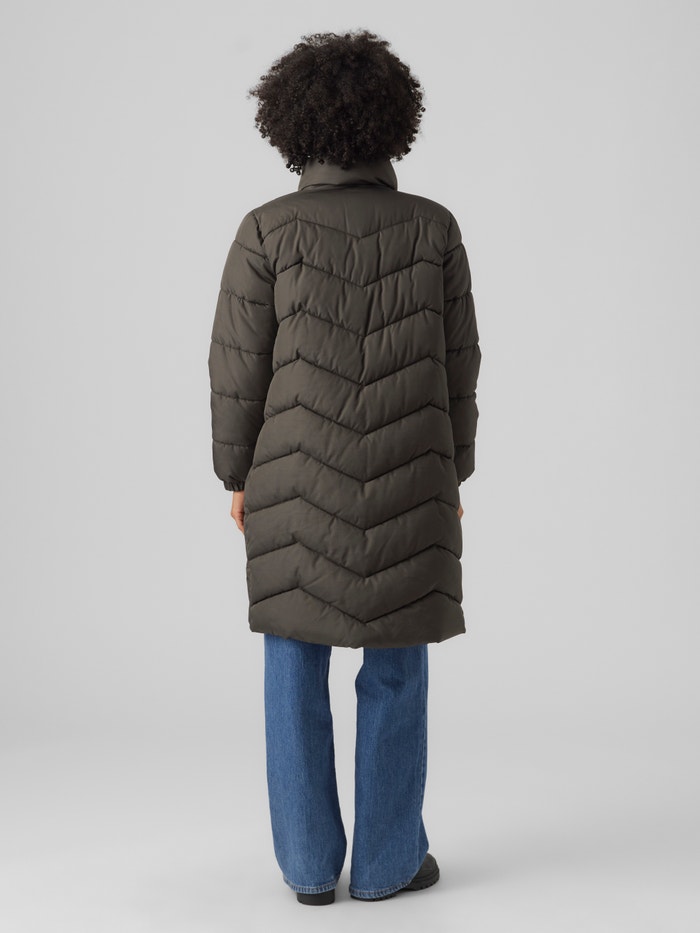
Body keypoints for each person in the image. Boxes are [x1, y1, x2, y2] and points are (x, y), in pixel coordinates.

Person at [208, 28, 481, 905]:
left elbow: (237, 368)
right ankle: (391, 862)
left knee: (294, 660)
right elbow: (461, 367)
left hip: (292, 481)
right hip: (411, 477)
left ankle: (307, 867)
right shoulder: (434, 228)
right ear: (393, 123)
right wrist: (454, 474)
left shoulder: (266, 229)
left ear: (292, 125)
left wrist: (235, 474)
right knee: (397, 665)